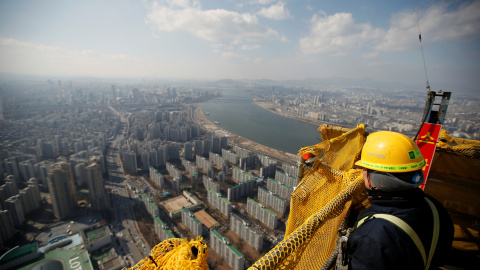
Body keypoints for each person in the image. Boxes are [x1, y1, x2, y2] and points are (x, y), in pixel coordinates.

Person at [346, 131, 454, 270]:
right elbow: (442, 256)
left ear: (378, 179)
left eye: (365, 169)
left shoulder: (374, 234)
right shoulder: (435, 206)